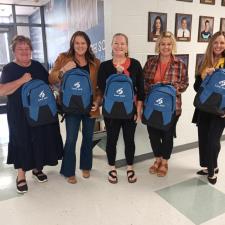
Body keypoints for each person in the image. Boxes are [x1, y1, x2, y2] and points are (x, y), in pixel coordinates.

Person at [0, 35, 63, 194]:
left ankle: (37, 169)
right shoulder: (9, 69)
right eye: (20, 49)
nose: (24, 51)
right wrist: (22, 80)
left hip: (38, 111)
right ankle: (21, 175)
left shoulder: (37, 66)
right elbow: (2, 90)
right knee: (22, 141)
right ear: (14, 51)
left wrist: (56, 85)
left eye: (27, 48)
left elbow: (48, 84)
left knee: (39, 138)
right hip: (19, 114)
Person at [49, 31, 101, 184]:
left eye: (83, 43)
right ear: (72, 44)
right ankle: (68, 171)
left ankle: (86, 166)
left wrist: (97, 101)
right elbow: (51, 78)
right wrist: (64, 69)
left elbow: (99, 87)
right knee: (71, 139)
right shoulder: (63, 58)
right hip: (71, 106)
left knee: (87, 138)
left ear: (88, 45)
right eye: (77, 43)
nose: (80, 46)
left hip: (89, 106)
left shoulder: (95, 62)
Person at [97, 33, 144, 184]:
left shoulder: (135, 64)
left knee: (129, 140)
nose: (119, 46)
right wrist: (118, 75)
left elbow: (141, 90)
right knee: (111, 140)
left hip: (130, 110)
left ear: (127, 46)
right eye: (116, 43)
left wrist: (138, 110)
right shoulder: (104, 66)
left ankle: (130, 167)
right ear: (111, 45)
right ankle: (112, 168)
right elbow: (103, 89)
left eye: (122, 43)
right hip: (111, 111)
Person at [143, 31, 189, 177]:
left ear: (172, 46)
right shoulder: (150, 62)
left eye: (169, 44)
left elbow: (185, 84)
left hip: (172, 107)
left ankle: (164, 162)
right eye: (163, 44)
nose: (166, 47)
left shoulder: (180, 63)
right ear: (158, 46)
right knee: (153, 134)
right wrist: (153, 87)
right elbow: (143, 82)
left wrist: (172, 87)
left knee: (167, 134)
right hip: (153, 106)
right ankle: (157, 159)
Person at [193, 31, 225, 185]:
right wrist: (204, 77)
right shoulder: (203, 61)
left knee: (213, 141)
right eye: (216, 42)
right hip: (204, 108)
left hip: (221, 111)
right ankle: (210, 166)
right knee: (204, 139)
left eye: (222, 43)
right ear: (211, 43)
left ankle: (211, 171)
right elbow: (196, 87)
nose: (218, 45)